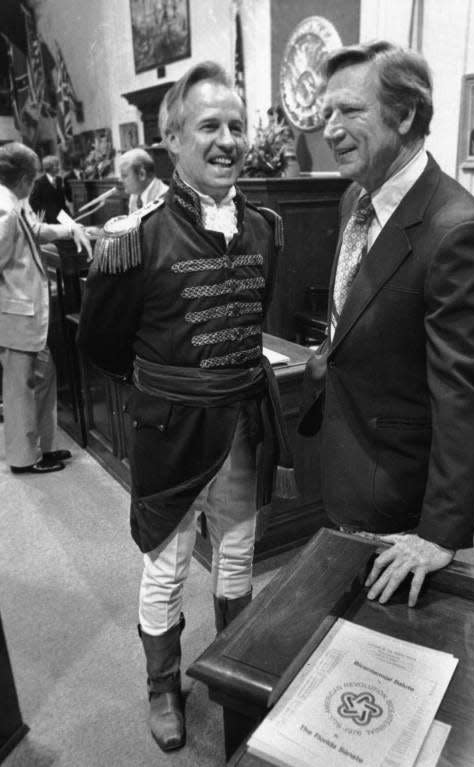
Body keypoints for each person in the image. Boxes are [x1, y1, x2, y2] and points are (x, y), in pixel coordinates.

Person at [77, 61, 290, 752]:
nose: (227, 139)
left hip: (243, 430)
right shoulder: (134, 237)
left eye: (236, 125)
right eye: (209, 126)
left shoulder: (267, 229)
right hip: (168, 433)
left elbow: (254, 320)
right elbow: (104, 346)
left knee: (236, 560)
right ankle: (162, 686)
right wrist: (168, 389)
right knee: (165, 567)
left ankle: (236, 674)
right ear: (172, 139)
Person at [299, 41, 474, 608]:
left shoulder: (457, 230)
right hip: (346, 455)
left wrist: (438, 533)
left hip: (398, 497)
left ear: (406, 113)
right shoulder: (353, 198)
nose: (331, 129)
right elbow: (363, 304)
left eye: (349, 111)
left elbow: (468, 397)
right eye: (326, 115)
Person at [0, 142, 91, 474]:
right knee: (19, 387)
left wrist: (71, 228)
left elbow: (35, 231)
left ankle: (41, 446)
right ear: (24, 178)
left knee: (43, 374)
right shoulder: (5, 208)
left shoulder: (13, 203)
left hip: (22, 314)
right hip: (13, 312)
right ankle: (25, 458)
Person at [119, 147, 168, 213]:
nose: (120, 180)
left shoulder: (164, 198)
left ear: (142, 174)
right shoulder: (135, 194)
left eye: (124, 175)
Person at [29, 154, 68, 223]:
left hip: (62, 218)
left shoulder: (59, 180)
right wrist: (43, 215)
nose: (59, 167)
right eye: (56, 165)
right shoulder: (40, 182)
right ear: (49, 167)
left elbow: (62, 201)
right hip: (48, 220)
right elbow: (33, 201)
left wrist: (68, 214)